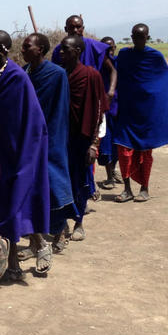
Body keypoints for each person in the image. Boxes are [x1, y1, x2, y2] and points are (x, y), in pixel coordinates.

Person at [0, 30, 51, 282]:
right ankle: (12, 259)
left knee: (16, 201)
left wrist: (25, 155)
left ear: (1, 50)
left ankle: (29, 251)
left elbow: (30, 121)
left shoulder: (17, 77)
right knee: (3, 204)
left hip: (21, 149)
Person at [21, 33, 77, 256]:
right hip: (27, 137)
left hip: (51, 137)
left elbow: (60, 109)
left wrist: (51, 138)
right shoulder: (24, 72)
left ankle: (60, 229)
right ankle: (35, 242)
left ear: (41, 49)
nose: (23, 50)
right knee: (31, 188)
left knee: (53, 185)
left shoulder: (57, 74)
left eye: (27, 47)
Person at [113, 24, 168, 202]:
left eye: (141, 37)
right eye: (135, 36)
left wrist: (155, 99)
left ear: (147, 38)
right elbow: (116, 73)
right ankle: (127, 189)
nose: (138, 40)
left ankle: (144, 188)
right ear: (131, 37)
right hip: (127, 109)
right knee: (123, 151)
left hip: (146, 111)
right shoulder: (124, 55)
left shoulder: (155, 56)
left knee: (145, 151)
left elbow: (162, 79)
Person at [58, 36, 107, 241]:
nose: (61, 53)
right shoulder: (58, 74)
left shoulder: (91, 75)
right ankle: (60, 223)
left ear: (77, 51)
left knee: (80, 181)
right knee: (61, 181)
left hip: (82, 138)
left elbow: (98, 111)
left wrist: (95, 143)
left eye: (65, 50)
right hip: (60, 138)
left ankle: (79, 222)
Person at [52, 14, 117, 101]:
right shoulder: (59, 49)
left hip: (92, 95)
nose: (75, 30)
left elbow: (112, 70)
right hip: (69, 96)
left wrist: (111, 92)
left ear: (83, 28)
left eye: (78, 27)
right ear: (66, 29)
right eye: (71, 27)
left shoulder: (95, 46)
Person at [96, 37, 121, 190]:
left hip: (118, 108)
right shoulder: (98, 65)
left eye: (111, 48)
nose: (109, 51)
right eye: (105, 48)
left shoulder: (118, 62)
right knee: (105, 144)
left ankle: (113, 170)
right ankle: (109, 176)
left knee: (117, 144)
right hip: (104, 108)